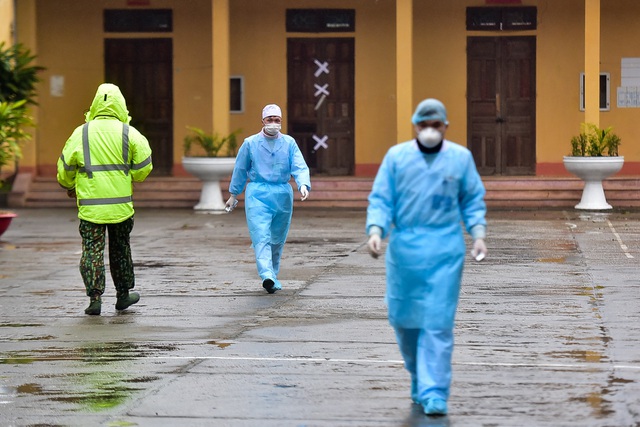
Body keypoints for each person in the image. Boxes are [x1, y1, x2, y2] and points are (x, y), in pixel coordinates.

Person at [366, 98, 487, 416]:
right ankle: (418, 377)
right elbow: (382, 198)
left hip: (445, 251)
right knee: (405, 322)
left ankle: (434, 391)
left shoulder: (460, 158)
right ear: (415, 126)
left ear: (445, 126)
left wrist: (478, 233)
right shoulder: (397, 158)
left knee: (437, 322)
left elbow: (472, 199)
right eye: (424, 125)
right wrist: (376, 229)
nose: (430, 131)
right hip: (405, 252)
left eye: (436, 125)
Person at [57, 83, 153, 316]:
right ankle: (123, 295)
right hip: (121, 207)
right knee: (121, 249)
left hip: (91, 208)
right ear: (121, 105)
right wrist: (130, 176)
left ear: (94, 105)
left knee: (92, 251)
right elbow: (144, 166)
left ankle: (95, 299)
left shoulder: (81, 133)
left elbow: (65, 168)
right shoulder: (129, 132)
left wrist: (70, 185)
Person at [225, 104, 310, 294]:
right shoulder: (250, 143)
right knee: (261, 235)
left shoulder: (289, 143)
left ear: (281, 121)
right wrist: (233, 194)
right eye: (269, 119)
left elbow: (299, 165)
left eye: (277, 120)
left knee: (277, 238)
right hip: (257, 193)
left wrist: (303, 184)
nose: (273, 123)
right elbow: (240, 169)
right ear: (262, 121)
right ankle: (266, 275)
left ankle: (273, 274)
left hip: (282, 194)